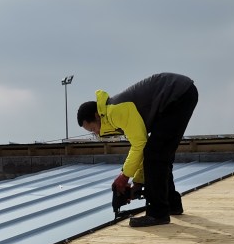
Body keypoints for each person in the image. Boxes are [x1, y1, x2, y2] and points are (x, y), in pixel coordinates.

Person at [76, 72, 198, 227]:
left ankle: (157, 213)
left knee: (156, 154)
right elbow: (143, 146)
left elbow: (140, 145)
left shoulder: (115, 112)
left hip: (177, 95)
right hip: (179, 94)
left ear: (97, 116)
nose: (96, 133)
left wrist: (124, 176)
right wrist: (138, 183)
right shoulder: (111, 113)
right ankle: (172, 204)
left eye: (93, 129)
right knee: (159, 153)